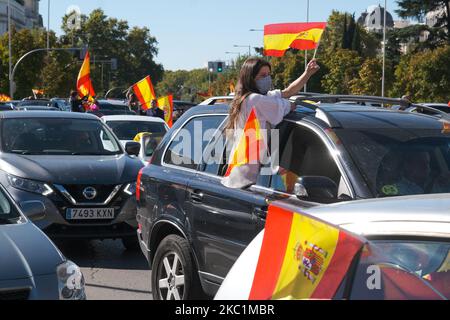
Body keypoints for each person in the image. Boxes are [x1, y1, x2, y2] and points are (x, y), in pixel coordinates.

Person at [221, 57, 320, 189]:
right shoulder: (255, 100)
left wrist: (307, 73)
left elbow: (288, 92)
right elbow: (290, 106)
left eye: (268, 75)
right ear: (251, 78)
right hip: (248, 178)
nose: (267, 78)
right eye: (262, 75)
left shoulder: (251, 98)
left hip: (247, 175)